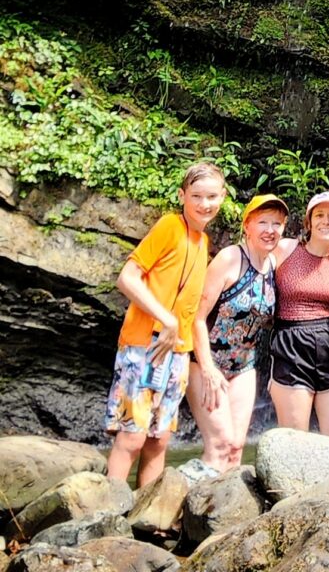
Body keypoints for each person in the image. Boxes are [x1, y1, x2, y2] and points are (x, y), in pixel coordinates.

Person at [105, 162, 225, 484]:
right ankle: (106, 515)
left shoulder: (203, 243)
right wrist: (166, 318)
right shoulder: (170, 226)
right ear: (182, 195)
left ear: (223, 197)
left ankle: (146, 522)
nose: (205, 204)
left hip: (177, 353)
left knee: (159, 442)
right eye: (196, 196)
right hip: (144, 344)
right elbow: (127, 278)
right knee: (131, 438)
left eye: (212, 196)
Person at [187, 193, 287, 471]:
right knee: (219, 444)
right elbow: (197, 317)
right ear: (247, 225)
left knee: (235, 448)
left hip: (244, 367)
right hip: (207, 364)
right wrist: (207, 368)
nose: (270, 230)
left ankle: (227, 513)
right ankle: (196, 508)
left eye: (277, 224)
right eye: (263, 222)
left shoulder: (273, 264)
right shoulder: (230, 258)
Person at [269, 191, 329, 437]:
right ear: (308, 222)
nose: (326, 222)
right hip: (290, 344)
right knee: (295, 439)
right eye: (319, 215)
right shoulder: (285, 249)